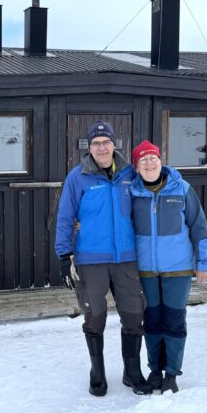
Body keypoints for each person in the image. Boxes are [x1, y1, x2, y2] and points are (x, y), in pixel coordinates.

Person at [55, 121, 151, 397]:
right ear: (89, 147)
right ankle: (97, 371)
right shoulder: (78, 177)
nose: (101, 147)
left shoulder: (129, 174)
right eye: (95, 143)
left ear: (114, 144)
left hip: (127, 258)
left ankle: (132, 372)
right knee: (94, 316)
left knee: (134, 316)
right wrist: (64, 255)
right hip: (91, 260)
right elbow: (65, 217)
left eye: (105, 142)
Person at [129, 140, 207, 393]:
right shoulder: (132, 193)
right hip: (146, 270)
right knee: (152, 320)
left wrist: (203, 263)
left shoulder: (181, 188)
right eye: (144, 160)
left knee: (174, 320)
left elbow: (200, 227)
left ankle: (172, 373)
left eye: (153, 158)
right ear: (137, 167)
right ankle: (155, 370)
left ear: (161, 161)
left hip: (178, 269)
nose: (150, 163)